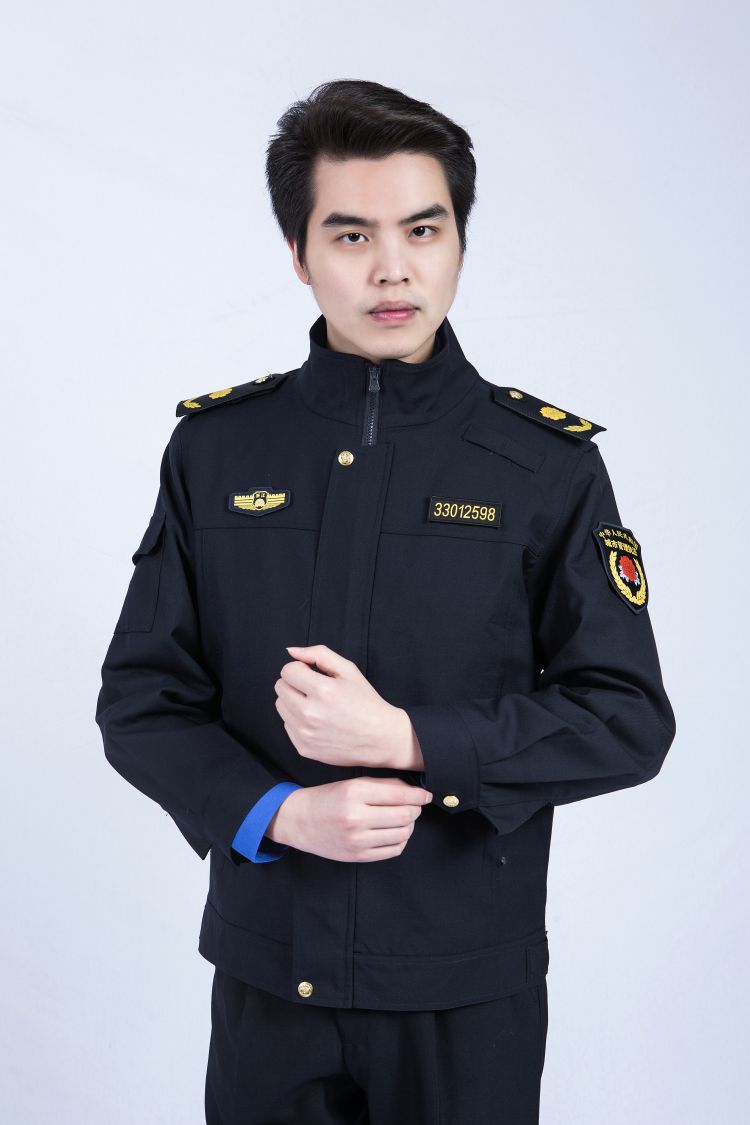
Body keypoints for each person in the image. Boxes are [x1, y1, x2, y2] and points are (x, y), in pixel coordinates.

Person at [95, 78, 677, 1125]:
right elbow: (142, 700)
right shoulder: (217, 451)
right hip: (269, 982)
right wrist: (279, 813)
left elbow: (625, 718)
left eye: (423, 228)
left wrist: (412, 739)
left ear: (460, 241)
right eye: (352, 234)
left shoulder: (544, 467)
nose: (393, 268)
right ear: (299, 252)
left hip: (466, 991)